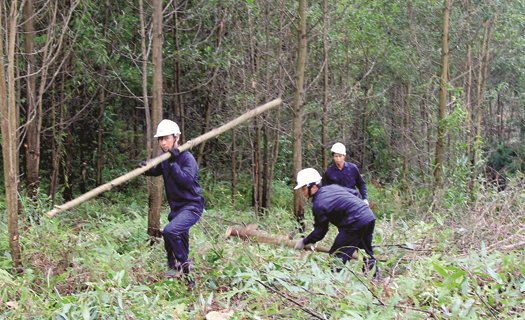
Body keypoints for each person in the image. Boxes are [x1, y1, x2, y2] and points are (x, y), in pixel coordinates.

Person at [138, 119, 205, 288]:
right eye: (160, 139)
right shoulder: (165, 157)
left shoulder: (187, 158)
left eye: (166, 138)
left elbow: (186, 182)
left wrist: (174, 162)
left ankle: (181, 270)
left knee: (169, 231)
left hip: (192, 207)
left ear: (177, 137)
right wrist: (145, 168)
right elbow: (155, 169)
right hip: (177, 210)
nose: (163, 142)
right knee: (178, 242)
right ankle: (184, 278)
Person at [293, 168, 380, 279]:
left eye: (304, 189)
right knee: (365, 252)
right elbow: (355, 193)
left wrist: (304, 241)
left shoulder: (319, 204)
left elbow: (321, 231)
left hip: (355, 222)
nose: (303, 192)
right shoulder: (332, 188)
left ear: (313, 186)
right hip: (368, 216)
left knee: (337, 255)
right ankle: (375, 281)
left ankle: (335, 285)